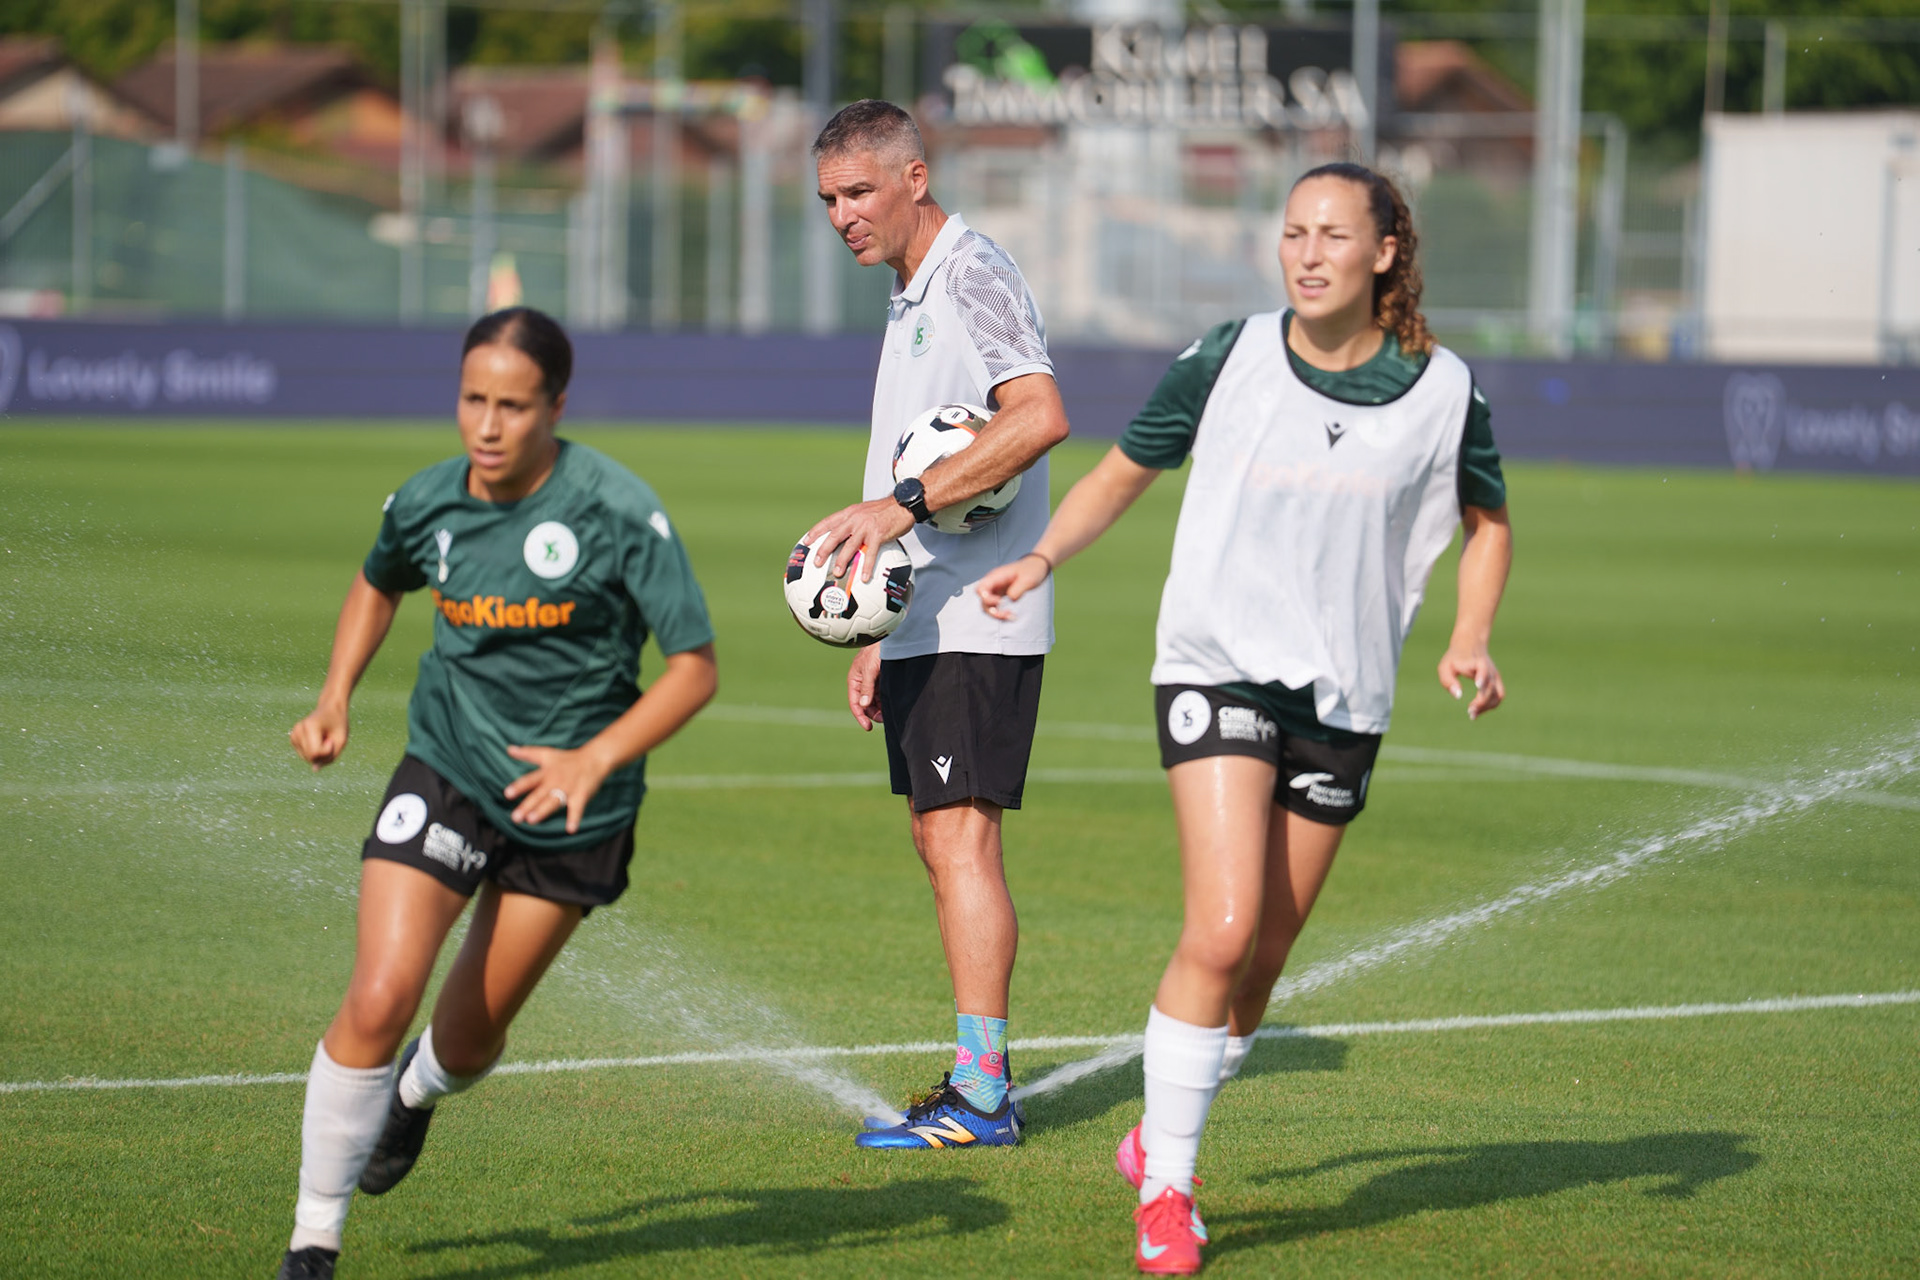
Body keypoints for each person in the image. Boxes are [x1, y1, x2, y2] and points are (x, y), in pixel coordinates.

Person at [976, 162, 1512, 1273]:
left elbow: (1487, 522)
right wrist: (1041, 556)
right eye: (1293, 232)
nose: (1308, 254)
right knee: (1219, 928)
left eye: (1334, 235)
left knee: (1261, 960)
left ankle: (1155, 1131)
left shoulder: (1445, 390)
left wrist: (1470, 634)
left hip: (1347, 694)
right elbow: (1123, 470)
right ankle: (1169, 1190)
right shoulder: (1229, 357)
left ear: (1385, 253)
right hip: (1214, 665)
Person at [276, 307, 718, 1279]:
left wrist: (590, 760)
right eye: (473, 398)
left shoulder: (617, 509)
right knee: (380, 994)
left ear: (555, 406)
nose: (486, 424)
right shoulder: (428, 499)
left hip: (575, 809)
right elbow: (378, 581)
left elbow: (694, 668)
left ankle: (415, 1095)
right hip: (449, 769)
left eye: (512, 406)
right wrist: (335, 695)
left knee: (470, 1041)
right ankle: (312, 1240)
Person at [801, 100, 1071, 1149]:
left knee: (961, 837)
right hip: (930, 614)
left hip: (981, 611)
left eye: (859, 191)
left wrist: (899, 507)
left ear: (915, 178)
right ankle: (976, 1076)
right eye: (828, 199)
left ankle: (983, 1095)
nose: (843, 215)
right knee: (937, 836)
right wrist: (881, 628)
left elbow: (1039, 416)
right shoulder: (911, 291)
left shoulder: (971, 273)